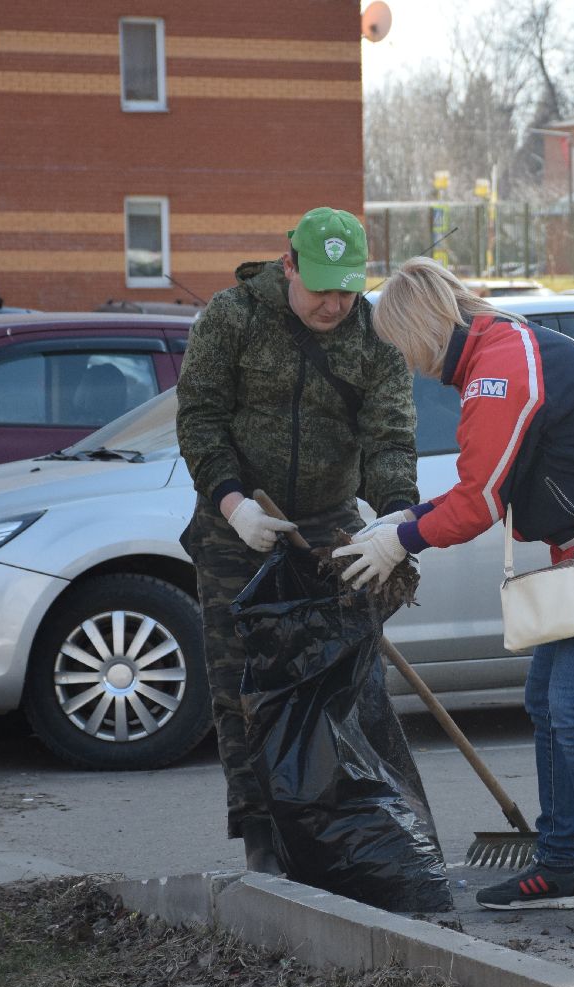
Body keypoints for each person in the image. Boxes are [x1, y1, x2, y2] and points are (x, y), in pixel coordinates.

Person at [335, 256, 574, 935]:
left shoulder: (498, 370)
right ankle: (558, 866)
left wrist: (400, 539)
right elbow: (480, 483)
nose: (408, 365)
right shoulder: (501, 348)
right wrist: (399, 522)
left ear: (424, 329)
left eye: (403, 347)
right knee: (547, 700)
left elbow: (476, 504)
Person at [175, 207, 419, 873]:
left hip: (327, 528)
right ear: (288, 266)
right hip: (238, 526)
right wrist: (231, 504)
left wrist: (395, 518)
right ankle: (262, 839)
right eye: (321, 288)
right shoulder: (233, 318)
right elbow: (199, 416)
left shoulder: (377, 335)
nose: (334, 304)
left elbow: (390, 435)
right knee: (240, 686)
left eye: (346, 289)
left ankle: (339, 831)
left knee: (342, 684)